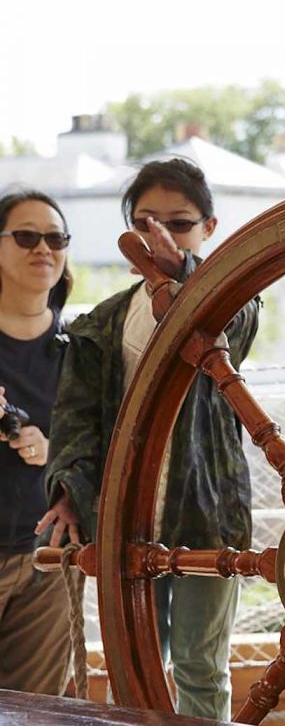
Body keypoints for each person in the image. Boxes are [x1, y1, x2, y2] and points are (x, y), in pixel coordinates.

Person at [41, 159, 259, 720]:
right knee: (128, 664)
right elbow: (76, 417)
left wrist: (184, 271)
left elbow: (237, 323)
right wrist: (70, 489)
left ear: (209, 229)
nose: (159, 236)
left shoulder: (231, 300)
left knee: (200, 667)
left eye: (180, 224)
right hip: (123, 518)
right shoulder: (103, 323)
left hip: (206, 516)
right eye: (145, 222)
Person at [0, 189, 74, 695]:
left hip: (48, 562)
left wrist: (56, 452)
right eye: (26, 236)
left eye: (55, 237)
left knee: (38, 711)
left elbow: (110, 451)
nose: (42, 248)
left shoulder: (82, 350)